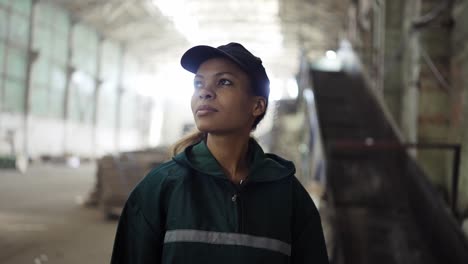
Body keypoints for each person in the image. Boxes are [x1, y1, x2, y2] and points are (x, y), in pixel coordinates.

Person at [110, 42, 329, 264]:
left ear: (257, 106)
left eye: (224, 82)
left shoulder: (289, 195)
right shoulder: (160, 187)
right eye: (198, 83)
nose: (204, 92)